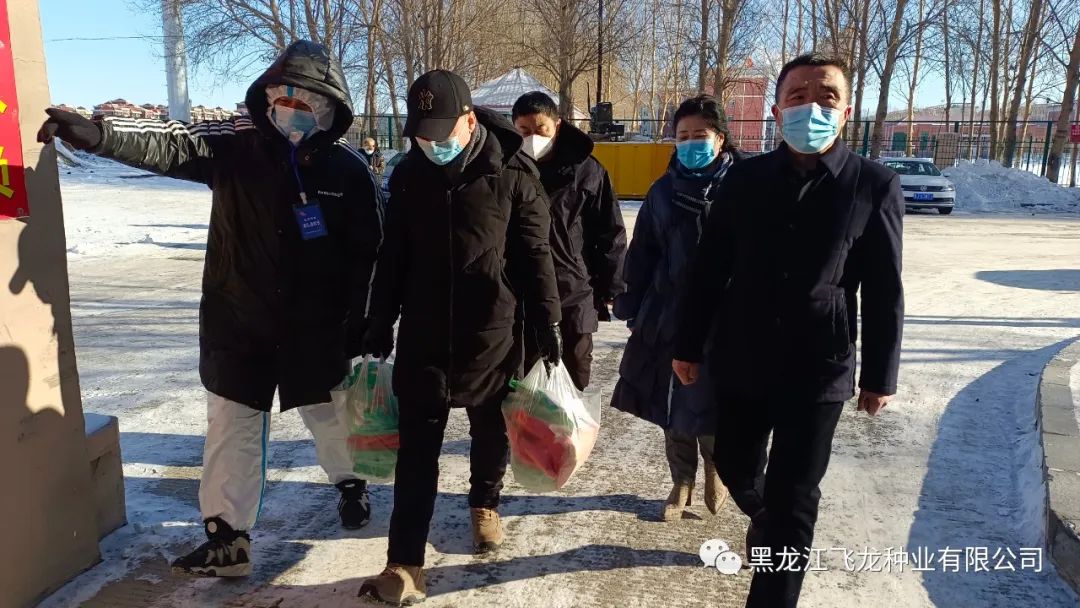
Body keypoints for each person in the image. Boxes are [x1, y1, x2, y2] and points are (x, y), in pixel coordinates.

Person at [37, 41, 383, 577]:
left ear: (328, 108)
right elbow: (170, 144)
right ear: (265, 99)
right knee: (231, 425)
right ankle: (227, 538)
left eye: (304, 100)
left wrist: (364, 323)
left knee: (330, 414)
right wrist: (101, 135)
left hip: (317, 327)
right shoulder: (233, 150)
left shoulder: (349, 170)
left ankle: (351, 483)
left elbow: (372, 253)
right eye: (280, 96)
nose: (289, 107)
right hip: (238, 320)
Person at [672, 54, 904, 607]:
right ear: (777, 111)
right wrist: (688, 344)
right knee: (736, 467)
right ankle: (768, 519)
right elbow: (709, 268)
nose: (811, 107)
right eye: (797, 96)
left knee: (796, 495)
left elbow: (884, 287)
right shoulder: (744, 179)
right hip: (744, 356)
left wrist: (880, 376)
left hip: (819, 365)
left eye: (826, 96)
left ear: (846, 111)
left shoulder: (873, 184)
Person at [358, 69, 562, 605]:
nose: (432, 144)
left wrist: (547, 320)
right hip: (424, 333)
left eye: (441, 133)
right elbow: (393, 254)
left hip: (491, 332)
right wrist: (380, 318)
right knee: (416, 451)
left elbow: (535, 253)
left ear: (470, 121)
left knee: (489, 431)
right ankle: (405, 564)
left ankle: (484, 503)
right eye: (422, 135)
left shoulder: (512, 171)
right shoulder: (409, 174)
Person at [609, 95, 741, 522]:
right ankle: (681, 480)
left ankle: (717, 468)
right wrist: (631, 307)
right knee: (673, 404)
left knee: (715, 401)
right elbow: (642, 253)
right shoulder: (662, 191)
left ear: (720, 138)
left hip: (725, 318)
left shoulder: (744, 188)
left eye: (700, 135)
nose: (690, 143)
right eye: (682, 136)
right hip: (669, 314)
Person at [511, 91, 627, 390]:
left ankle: (570, 422)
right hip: (521, 292)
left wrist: (611, 285)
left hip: (573, 289)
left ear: (557, 125)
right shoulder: (507, 169)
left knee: (574, 373)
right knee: (524, 381)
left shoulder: (587, 170)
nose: (533, 138)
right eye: (524, 131)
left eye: (541, 129)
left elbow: (610, 231)